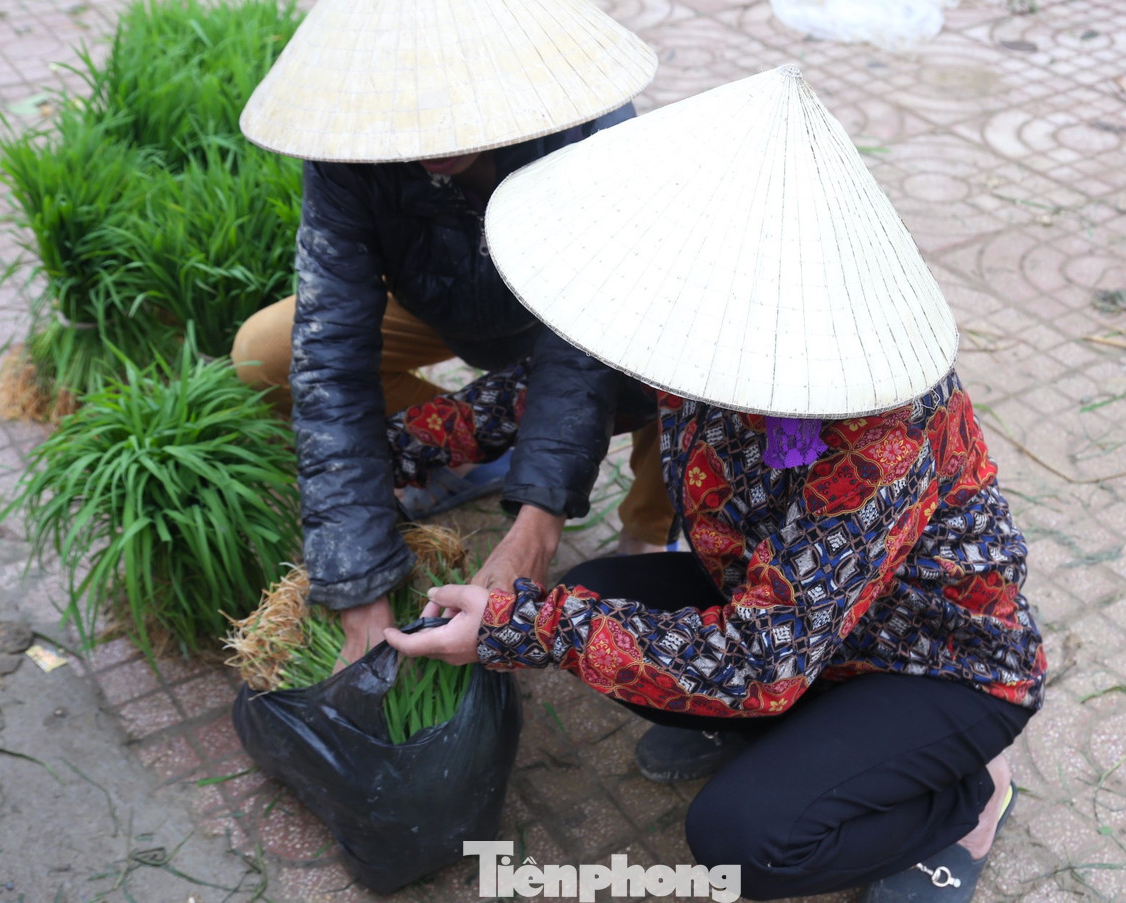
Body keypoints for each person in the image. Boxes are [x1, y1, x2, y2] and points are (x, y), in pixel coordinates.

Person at [386, 66, 1047, 902]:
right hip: (797, 617)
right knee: (595, 596)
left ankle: (963, 792)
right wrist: (405, 444)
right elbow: (556, 391)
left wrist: (522, 626)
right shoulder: (703, 329)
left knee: (744, 840)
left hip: (930, 661)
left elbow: (761, 660)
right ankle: (819, 746)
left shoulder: (875, 426)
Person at [234, 0, 675, 665]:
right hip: (443, 300)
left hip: (576, 311)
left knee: (677, 345)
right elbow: (333, 358)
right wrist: (359, 578)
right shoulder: (349, 147)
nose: (432, 131)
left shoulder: (587, 121)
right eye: (411, 105)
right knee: (263, 352)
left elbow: (578, 348)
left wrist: (538, 526)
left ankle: (650, 533)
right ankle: (478, 457)